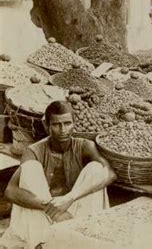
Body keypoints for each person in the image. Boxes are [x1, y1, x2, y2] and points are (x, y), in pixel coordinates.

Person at [1, 101, 116, 249]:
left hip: (76, 214)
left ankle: (85, 240)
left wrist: (70, 198)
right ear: (47, 126)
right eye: (56, 125)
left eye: (67, 123)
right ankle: (41, 243)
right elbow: (10, 191)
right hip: (42, 215)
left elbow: (110, 174)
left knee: (97, 169)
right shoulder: (34, 151)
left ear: (74, 124)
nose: (63, 130)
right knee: (30, 168)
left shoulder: (85, 146)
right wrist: (53, 208)